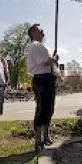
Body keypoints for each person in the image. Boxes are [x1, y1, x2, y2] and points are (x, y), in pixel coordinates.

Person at [26, 24, 58, 152]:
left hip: (49, 78)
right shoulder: (35, 46)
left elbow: (48, 63)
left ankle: (46, 136)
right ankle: (38, 140)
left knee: (49, 108)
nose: (43, 31)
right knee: (42, 108)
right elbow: (44, 62)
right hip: (41, 80)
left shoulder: (42, 46)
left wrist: (53, 61)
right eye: (39, 30)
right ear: (33, 33)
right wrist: (53, 59)